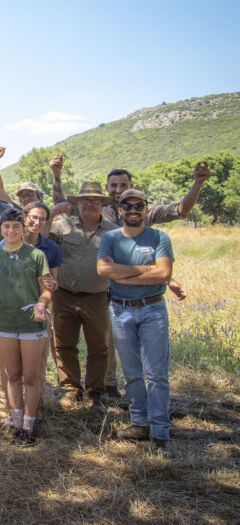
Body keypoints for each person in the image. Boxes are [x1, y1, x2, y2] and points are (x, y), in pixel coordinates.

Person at [97, 188, 178, 452]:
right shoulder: (110, 238)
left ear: (145, 208)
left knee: (156, 374)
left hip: (152, 309)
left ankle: (160, 430)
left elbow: (163, 272)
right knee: (132, 373)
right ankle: (140, 422)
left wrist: (121, 276)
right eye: (127, 206)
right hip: (120, 311)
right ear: (119, 210)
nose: (133, 211)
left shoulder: (159, 237)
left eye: (139, 206)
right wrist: (146, 269)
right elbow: (102, 269)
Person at [0, 209, 53, 445]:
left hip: (32, 324)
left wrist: (41, 304)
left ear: (23, 229)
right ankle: (16, 423)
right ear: (1, 229)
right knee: (12, 375)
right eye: (6, 226)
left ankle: (29, 425)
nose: (11, 231)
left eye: (16, 226)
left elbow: (47, 289)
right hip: (5, 323)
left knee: (30, 377)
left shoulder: (37, 255)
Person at [48, 182, 118, 410]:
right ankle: (70, 389)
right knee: (64, 345)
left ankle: (95, 393)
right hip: (64, 295)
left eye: (95, 199)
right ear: (77, 203)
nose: (89, 203)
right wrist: (51, 214)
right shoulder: (62, 226)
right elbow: (43, 244)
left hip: (96, 297)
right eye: (84, 200)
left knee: (99, 347)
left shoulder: (112, 231)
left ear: (102, 203)